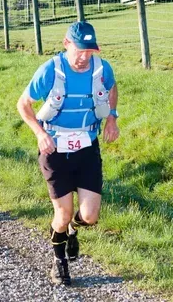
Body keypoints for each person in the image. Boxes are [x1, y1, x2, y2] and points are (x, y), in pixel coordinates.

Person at [16, 21, 119, 286]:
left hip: (86, 147)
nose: (85, 56)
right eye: (80, 50)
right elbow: (23, 104)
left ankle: (73, 229)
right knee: (61, 215)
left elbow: (112, 87)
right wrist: (40, 134)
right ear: (66, 44)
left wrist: (112, 119)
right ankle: (59, 261)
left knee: (90, 216)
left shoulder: (101, 68)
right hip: (55, 150)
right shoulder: (51, 70)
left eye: (90, 50)